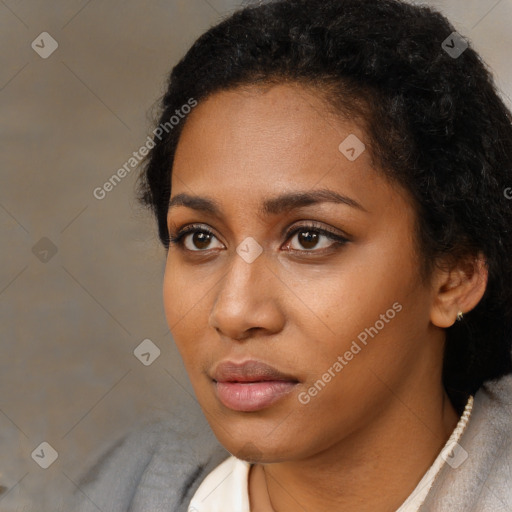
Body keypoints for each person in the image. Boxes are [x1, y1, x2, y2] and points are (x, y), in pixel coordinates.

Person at [74, 0, 512, 510]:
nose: (234, 312)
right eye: (199, 238)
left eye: (309, 238)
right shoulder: (110, 491)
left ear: (454, 276)